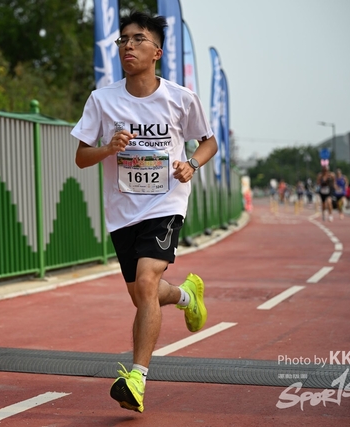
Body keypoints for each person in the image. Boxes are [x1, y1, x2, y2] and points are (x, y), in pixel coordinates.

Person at [71, 11, 217, 414]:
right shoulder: (102, 100)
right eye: (123, 40)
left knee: (148, 281)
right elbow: (81, 157)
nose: (128, 46)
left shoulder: (180, 98)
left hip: (166, 203)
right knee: (142, 295)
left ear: (157, 52)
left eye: (138, 39)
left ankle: (137, 379)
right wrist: (108, 148)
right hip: (123, 211)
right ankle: (187, 295)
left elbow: (208, 142)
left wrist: (192, 164)